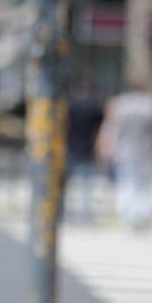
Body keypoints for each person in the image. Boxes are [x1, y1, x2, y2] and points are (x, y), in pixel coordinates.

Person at [98, 83, 152, 231]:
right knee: (143, 185)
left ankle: (128, 216)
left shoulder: (120, 104)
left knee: (126, 183)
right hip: (145, 151)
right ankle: (140, 214)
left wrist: (108, 149)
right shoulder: (151, 105)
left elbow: (111, 130)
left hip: (124, 151)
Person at [65, 79, 104, 223]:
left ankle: (62, 214)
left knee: (64, 184)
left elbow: (64, 127)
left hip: (70, 146)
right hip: (87, 148)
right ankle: (85, 216)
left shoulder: (70, 105)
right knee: (86, 185)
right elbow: (99, 130)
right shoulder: (93, 107)